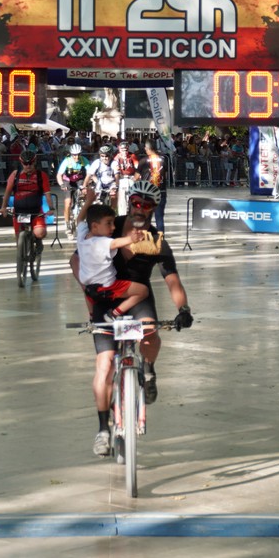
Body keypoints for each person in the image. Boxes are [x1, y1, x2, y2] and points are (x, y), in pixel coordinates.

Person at [73, 179, 192, 457]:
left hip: (137, 298)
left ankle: (148, 369)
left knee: (150, 331)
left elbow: (173, 281)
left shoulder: (157, 242)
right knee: (104, 366)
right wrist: (87, 293)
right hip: (104, 299)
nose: (140, 209)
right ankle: (103, 430)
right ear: (130, 202)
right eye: (137, 203)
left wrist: (184, 310)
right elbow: (76, 259)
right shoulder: (108, 225)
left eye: (147, 205)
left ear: (154, 208)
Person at [75, 192, 151, 321]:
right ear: (94, 226)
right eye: (109, 223)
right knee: (143, 291)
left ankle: (92, 316)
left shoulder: (82, 234)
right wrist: (132, 238)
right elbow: (116, 243)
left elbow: (79, 220)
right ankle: (114, 314)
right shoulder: (101, 242)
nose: (113, 227)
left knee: (87, 294)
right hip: (108, 286)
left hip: (89, 286)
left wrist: (88, 201)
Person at [1, 150, 50, 243]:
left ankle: (37, 242)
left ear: (34, 162)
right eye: (25, 163)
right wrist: (3, 207)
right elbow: (7, 192)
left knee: (40, 233)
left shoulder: (41, 175)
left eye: (30, 163)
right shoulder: (15, 175)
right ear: (21, 163)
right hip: (19, 211)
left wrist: (51, 208)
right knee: (18, 239)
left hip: (36, 211)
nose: (28, 166)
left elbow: (47, 194)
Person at [55, 142, 90, 237]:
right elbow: (59, 175)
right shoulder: (67, 161)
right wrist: (62, 184)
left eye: (78, 154)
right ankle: (67, 224)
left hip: (79, 181)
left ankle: (83, 216)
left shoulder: (84, 160)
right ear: (71, 154)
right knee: (68, 203)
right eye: (74, 155)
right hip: (68, 182)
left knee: (85, 194)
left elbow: (90, 173)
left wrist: (88, 184)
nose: (76, 157)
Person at [142, 139, 168, 233]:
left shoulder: (144, 161)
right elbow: (165, 175)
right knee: (159, 217)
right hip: (161, 192)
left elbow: (137, 176)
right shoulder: (163, 159)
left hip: (148, 192)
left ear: (147, 148)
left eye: (145, 147)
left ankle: (145, 237)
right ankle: (161, 238)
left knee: (146, 217)